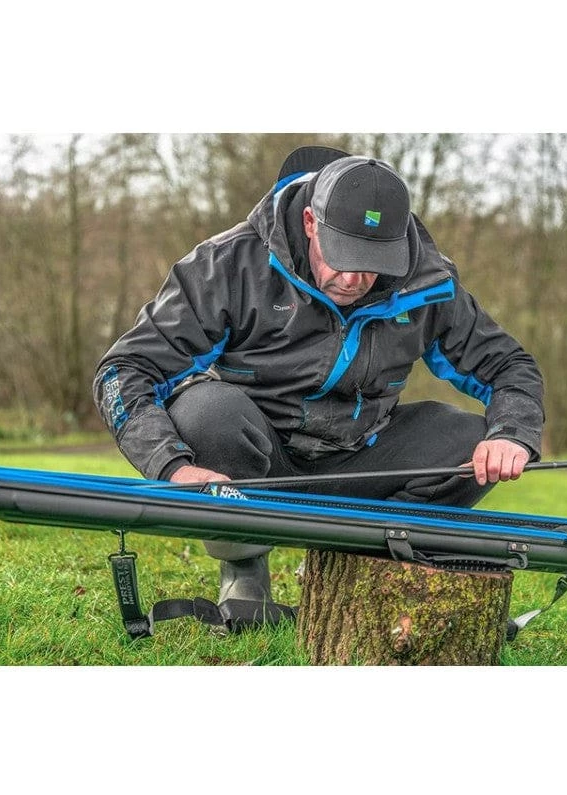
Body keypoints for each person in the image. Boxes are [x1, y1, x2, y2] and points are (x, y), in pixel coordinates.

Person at [93, 145, 544, 610]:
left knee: (468, 441)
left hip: (362, 456)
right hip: (257, 456)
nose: (352, 280)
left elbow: (509, 364)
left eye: (372, 264)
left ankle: (361, 561)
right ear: (310, 222)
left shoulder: (429, 281)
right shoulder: (227, 264)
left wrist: (512, 433)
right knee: (205, 413)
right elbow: (124, 370)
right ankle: (244, 564)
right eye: (342, 257)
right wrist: (172, 467)